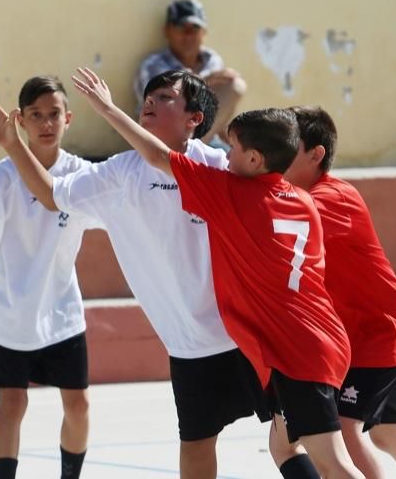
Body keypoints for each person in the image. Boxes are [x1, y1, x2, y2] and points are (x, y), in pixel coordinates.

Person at [0, 70, 274, 479]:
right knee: (198, 447)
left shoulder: (220, 167)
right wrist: (11, 144)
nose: (150, 100)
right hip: (190, 348)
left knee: (295, 440)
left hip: (247, 333)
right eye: (149, 95)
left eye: (165, 96)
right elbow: (50, 196)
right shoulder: (118, 175)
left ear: (194, 119)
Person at [71, 67, 365, 479]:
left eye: (233, 149)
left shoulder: (232, 195)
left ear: (255, 159)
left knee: (335, 464)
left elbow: (157, 158)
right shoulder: (301, 201)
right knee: (284, 445)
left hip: (295, 350)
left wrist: (105, 108)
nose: (224, 158)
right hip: (314, 337)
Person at [277, 106, 396, 479]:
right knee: (388, 435)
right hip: (354, 336)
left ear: (315, 154)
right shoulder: (296, 194)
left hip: (380, 332)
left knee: (344, 429)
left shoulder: (330, 197)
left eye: (284, 143)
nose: (272, 150)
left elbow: (274, 218)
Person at [0, 76, 100, 479]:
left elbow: (116, 209)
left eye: (53, 113)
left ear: (68, 118)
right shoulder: (4, 174)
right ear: (19, 121)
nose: (45, 123)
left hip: (61, 312)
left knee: (79, 405)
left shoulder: (81, 175)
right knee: (12, 403)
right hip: (11, 312)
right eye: (35, 115)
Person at [134, 0, 246, 149]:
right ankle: (184, 156)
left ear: (204, 32)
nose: (188, 35)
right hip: (160, 142)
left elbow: (217, 115)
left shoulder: (212, 60)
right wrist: (206, 80)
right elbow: (160, 104)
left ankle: (191, 154)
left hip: (204, 140)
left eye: (194, 28)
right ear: (167, 30)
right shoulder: (152, 65)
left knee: (235, 85)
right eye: (181, 28)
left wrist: (237, 146)